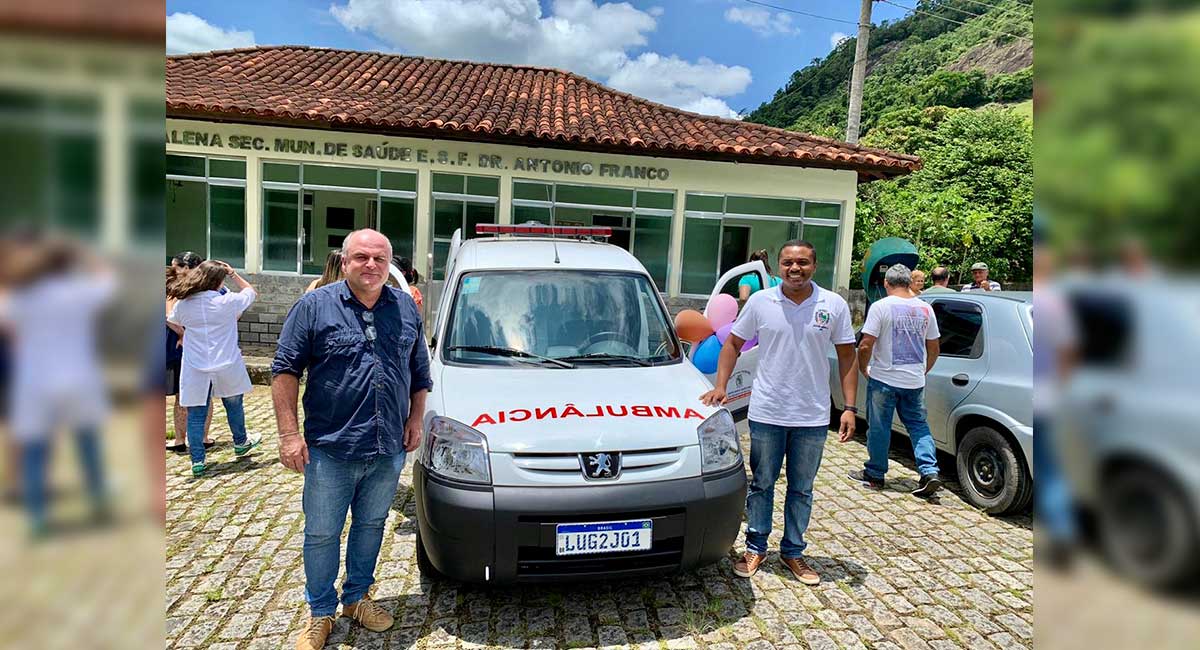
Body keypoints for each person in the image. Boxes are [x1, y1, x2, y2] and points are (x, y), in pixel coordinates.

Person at [272, 229, 431, 650]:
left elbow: (420, 372)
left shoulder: (405, 308)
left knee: (372, 525)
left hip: (387, 448)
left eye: (380, 258)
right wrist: (289, 434)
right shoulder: (314, 306)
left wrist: (416, 418)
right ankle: (320, 611)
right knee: (322, 533)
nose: (371, 265)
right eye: (361, 257)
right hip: (331, 449)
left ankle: (357, 598)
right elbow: (285, 370)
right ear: (345, 263)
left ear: (390, 263)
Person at [700, 240, 858, 585]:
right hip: (767, 412)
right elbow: (732, 344)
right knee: (762, 484)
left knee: (802, 489)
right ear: (779, 267)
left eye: (802, 262)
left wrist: (849, 408)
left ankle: (793, 552)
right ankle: (756, 547)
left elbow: (848, 356)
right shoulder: (761, 301)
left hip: (813, 417)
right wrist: (721, 385)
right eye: (788, 263)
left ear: (814, 266)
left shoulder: (833, 305)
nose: (795, 268)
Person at [1, 238, 115, 537]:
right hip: (78, 378)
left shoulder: (22, 297)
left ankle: (37, 516)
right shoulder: (81, 293)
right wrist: (89, 256)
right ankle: (98, 498)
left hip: (36, 380)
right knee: (87, 442)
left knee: (36, 449)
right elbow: (108, 282)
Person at [849, 264, 943, 497]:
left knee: (880, 427)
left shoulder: (881, 307)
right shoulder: (925, 308)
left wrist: (864, 368)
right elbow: (934, 346)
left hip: (884, 378)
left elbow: (865, 344)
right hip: (914, 380)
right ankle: (929, 471)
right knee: (918, 425)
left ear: (886, 284)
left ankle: (875, 474)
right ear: (910, 282)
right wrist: (924, 370)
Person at [167, 261, 261, 477]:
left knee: (196, 412)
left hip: (195, 364)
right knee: (234, 404)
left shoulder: (184, 304)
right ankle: (240, 442)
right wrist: (234, 274)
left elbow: (173, 319)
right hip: (226, 361)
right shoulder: (227, 301)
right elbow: (251, 292)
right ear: (218, 281)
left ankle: (197, 460)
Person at [1032, 242, 1079, 568]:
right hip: (1052, 395)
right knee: (1052, 468)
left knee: (1048, 465)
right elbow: (1068, 353)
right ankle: (1063, 532)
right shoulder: (1058, 304)